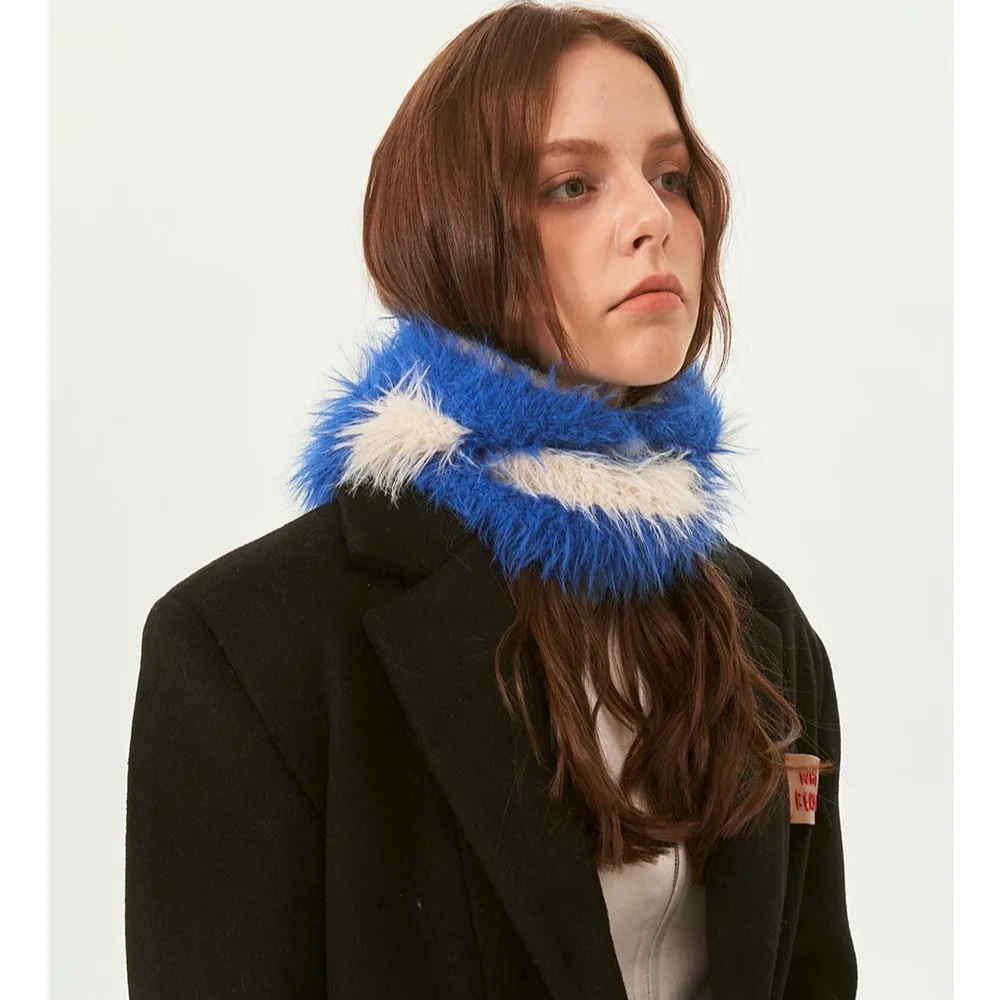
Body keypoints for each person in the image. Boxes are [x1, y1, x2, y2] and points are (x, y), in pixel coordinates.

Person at [124, 3, 857, 998]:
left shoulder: (764, 629)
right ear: (451, 234)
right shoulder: (249, 645)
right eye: (571, 185)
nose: (651, 219)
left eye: (671, 176)